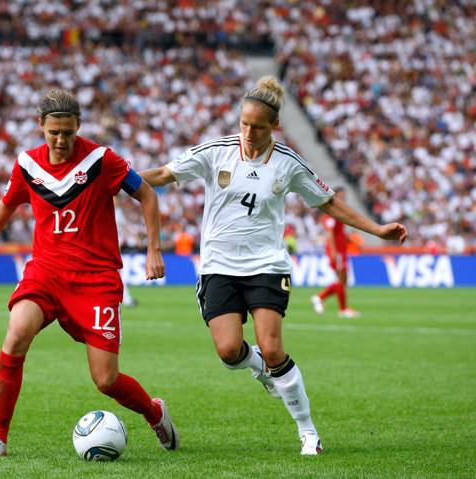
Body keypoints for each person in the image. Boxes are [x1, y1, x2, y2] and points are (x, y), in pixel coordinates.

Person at [140, 76, 408, 456]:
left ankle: (308, 432)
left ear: (274, 127)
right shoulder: (216, 152)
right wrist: (119, 181)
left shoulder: (288, 163)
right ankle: (259, 369)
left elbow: (327, 201)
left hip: (266, 264)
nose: (249, 132)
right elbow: (165, 175)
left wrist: (376, 229)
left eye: (258, 126)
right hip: (218, 266)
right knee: (229, 351)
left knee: (273, 348)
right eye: (244, 124)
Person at [0, 89, 179, 459]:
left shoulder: (101, 160)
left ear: (78, 126)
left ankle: (154, 413)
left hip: (95, 280)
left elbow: (147, 194)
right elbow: (7, 203)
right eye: (54, 133)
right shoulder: (27, 165)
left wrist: (153, 249)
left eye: (68, 132)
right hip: (46, 273)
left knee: (106, 380)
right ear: (41, 127)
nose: (61, 140)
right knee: (16, 334)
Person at [311, 187, 360, 318]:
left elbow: (338, 232)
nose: (343, 198)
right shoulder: (331, 213)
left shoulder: (339, 212)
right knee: (341, 280)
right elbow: (330, 234)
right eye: (340, 196)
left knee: (343, 282)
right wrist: (333, 252)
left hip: (341, 250)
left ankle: (319, 298)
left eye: (344, 196)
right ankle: (342, 309)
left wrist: (349, 239)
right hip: (337, 251)